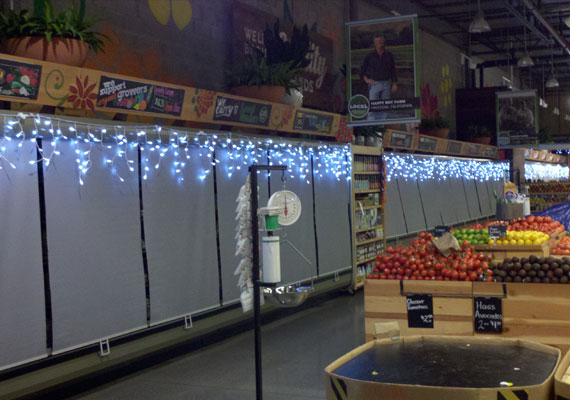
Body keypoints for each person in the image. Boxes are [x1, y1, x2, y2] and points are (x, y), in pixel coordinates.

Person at [360, 33, 398, 120]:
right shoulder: (370, 56)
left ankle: (383, 123)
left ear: (384, 41)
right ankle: (370, 124)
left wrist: (394, 83)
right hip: (375, 83)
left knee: (385, 105)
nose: (379, 42)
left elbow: (393, 69)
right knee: (372, 105)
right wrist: (366, 79)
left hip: (386, 83)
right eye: (377, 41)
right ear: (374, 43)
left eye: (381, 40)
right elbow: (363, 69)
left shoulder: (389, 55)